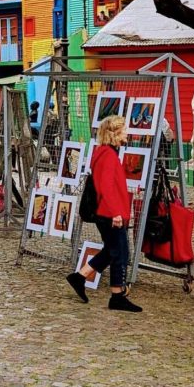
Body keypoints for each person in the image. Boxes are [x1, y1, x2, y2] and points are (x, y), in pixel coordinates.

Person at [65, 114, 142, 312]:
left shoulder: (106, 153)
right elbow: (106, 188)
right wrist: (117, 213)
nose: (127, 132)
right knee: (120, 253)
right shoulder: (108, 155)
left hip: (108, 211)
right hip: (109, 213)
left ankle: (79, 277)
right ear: (114, 133)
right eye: (124, 129)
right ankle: (117, 296)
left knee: (112, 250)